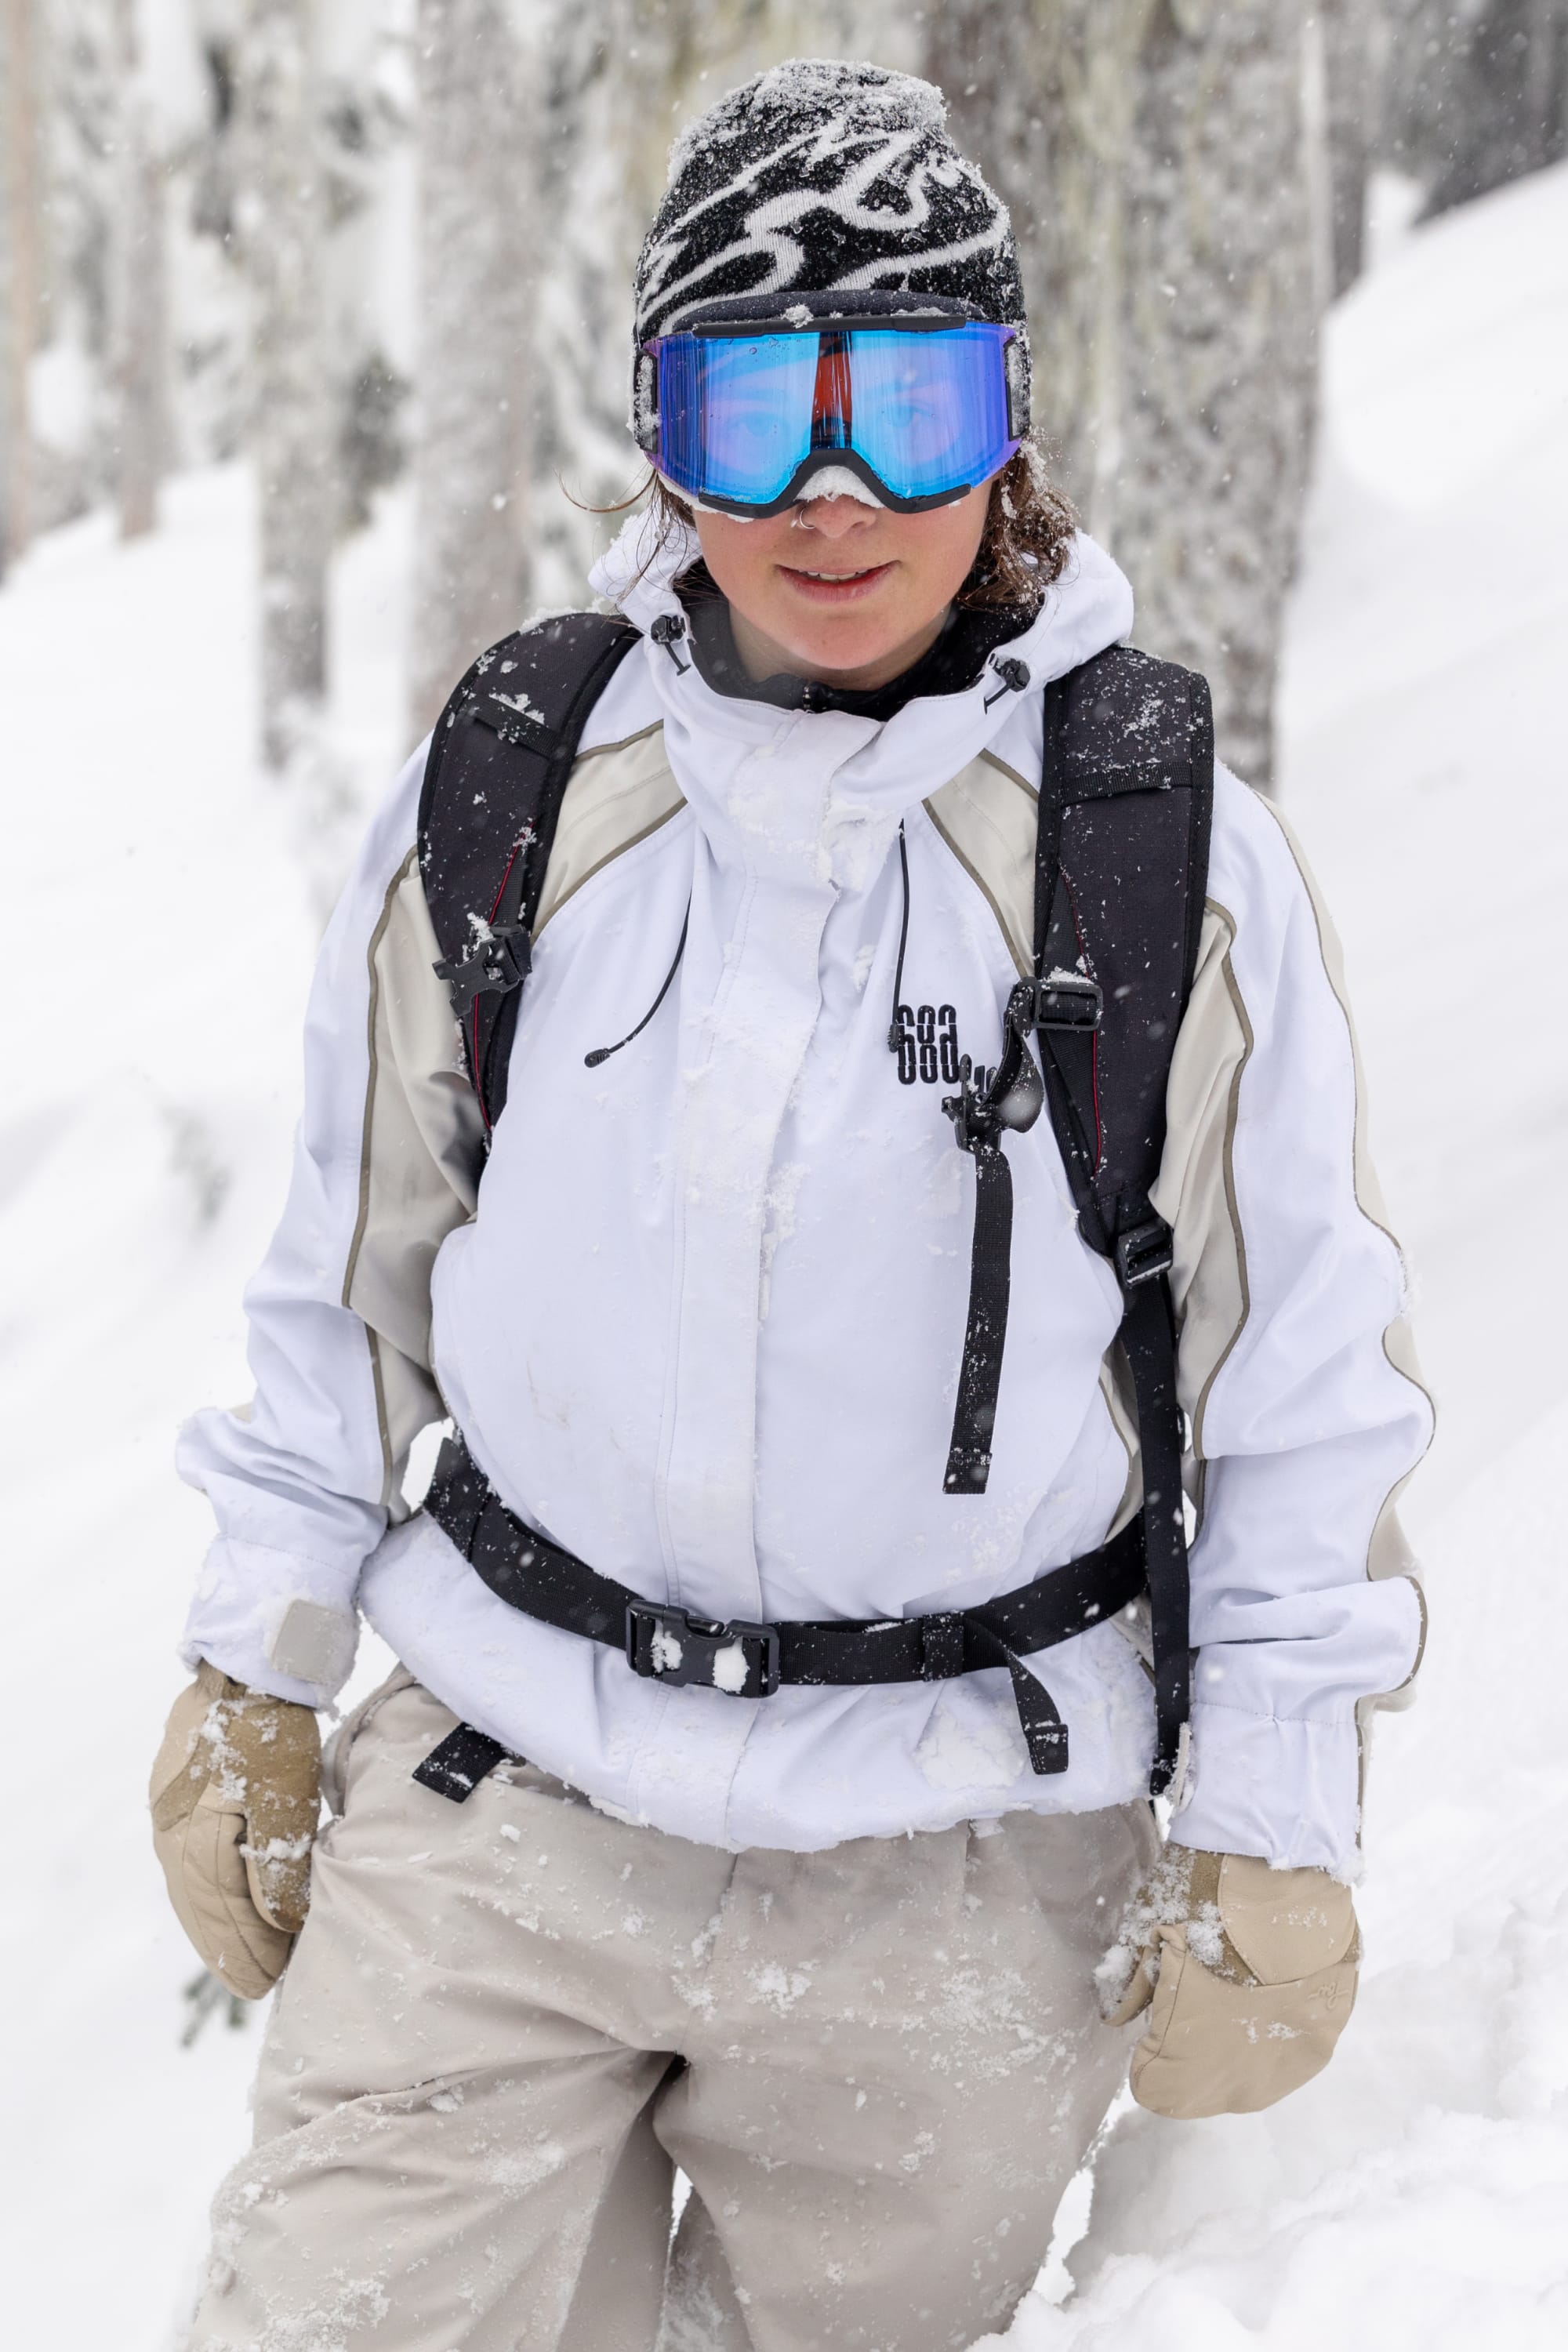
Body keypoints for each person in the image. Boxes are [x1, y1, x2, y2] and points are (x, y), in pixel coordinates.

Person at [151, 59, 1432, 2352]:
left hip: (954, 1863)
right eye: (755, 416)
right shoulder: (527, 784)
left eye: (909, 405)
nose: (833, 498)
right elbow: (353, 1278)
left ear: (1007, 427)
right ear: (662, 438)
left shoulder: (1152, 852)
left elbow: (1298, 1381)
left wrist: (1280, 1816)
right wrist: (259, 1654)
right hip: (503, 1788)